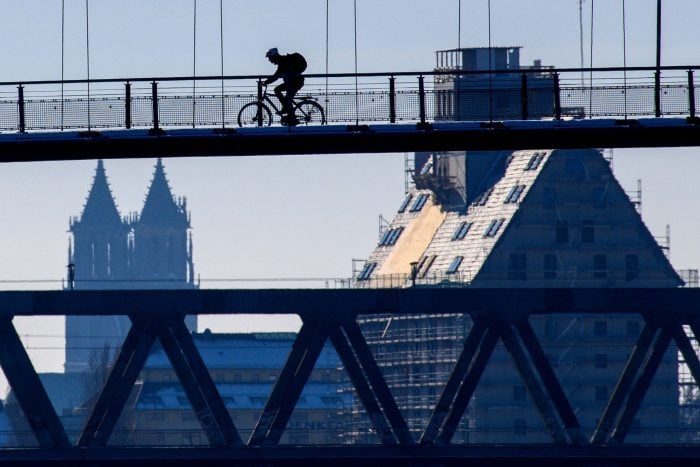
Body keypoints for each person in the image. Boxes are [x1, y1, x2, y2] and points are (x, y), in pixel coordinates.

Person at [263, 48, 307, 124]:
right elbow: (276, 76)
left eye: (270, 58)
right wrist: (266, 82)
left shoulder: (283, 62)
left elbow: (275, 76)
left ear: (274, 56)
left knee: (288, 98)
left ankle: (292, 118)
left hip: (295, 83)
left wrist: (265, 82)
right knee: (278, 90)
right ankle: (286, 109)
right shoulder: (282, 62)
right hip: (292, 83)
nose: (270, 61)